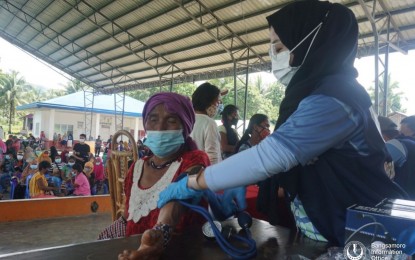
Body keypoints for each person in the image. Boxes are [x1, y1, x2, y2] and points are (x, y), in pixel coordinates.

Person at [158, 1, 406, 247]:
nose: (274, 56)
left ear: (312, 42)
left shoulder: (335, 99)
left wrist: (195, 181)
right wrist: (240, 179)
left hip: (366, 236)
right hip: (334, 232)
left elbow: (273, 155)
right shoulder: (322, 94)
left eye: (279, 47)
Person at [98, 92, 209, 260]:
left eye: (171, 120)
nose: (160, 127)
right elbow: (129, 215)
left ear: (185, 126)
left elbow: (180, 194)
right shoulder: (137, 167)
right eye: (153, 119)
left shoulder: (195, 160)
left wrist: (160, 234)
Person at [378, 116, 415, 199]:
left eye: (402, 134)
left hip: (402, 203)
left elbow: (373, 165)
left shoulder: (399, 144)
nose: (398, 135)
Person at [190, 82, 223, 165]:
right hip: (205, 172)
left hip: (188, 169)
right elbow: (212, 157)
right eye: (218, 102)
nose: (218, 106)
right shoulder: (209, 123)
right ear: (208, 101)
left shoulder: (188, 119)